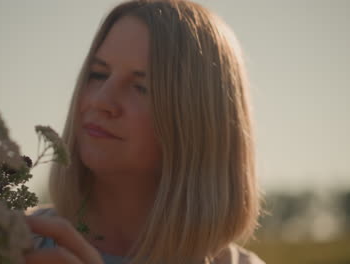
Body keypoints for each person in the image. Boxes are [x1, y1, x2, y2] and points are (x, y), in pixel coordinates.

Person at [25, 0, 264, 263]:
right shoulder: (10, 243)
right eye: (98, 74)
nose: (102, 101)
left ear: (197, 123)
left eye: (141, 87)